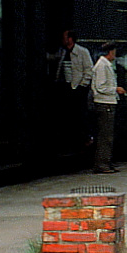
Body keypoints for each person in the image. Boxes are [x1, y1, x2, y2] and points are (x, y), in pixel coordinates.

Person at [53, 30, 95, 158]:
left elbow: (89, 70)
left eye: (64, 37)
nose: (62, 39)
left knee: (80, 113)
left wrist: (82, 86)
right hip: (66, 86)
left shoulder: (82, 52)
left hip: (77, 87)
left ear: (70, 39)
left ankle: (86, 138)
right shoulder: (63, 51)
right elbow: (55, 58)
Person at [91, 42, 126, 174]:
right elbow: (100, 87)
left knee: (108, 135)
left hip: (108, 102)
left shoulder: (106, 65)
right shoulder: (102, 66)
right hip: (104, 103)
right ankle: (102, 164)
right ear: (110, 52)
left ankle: (106, 162)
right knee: (105, 136)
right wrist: (115, 89)